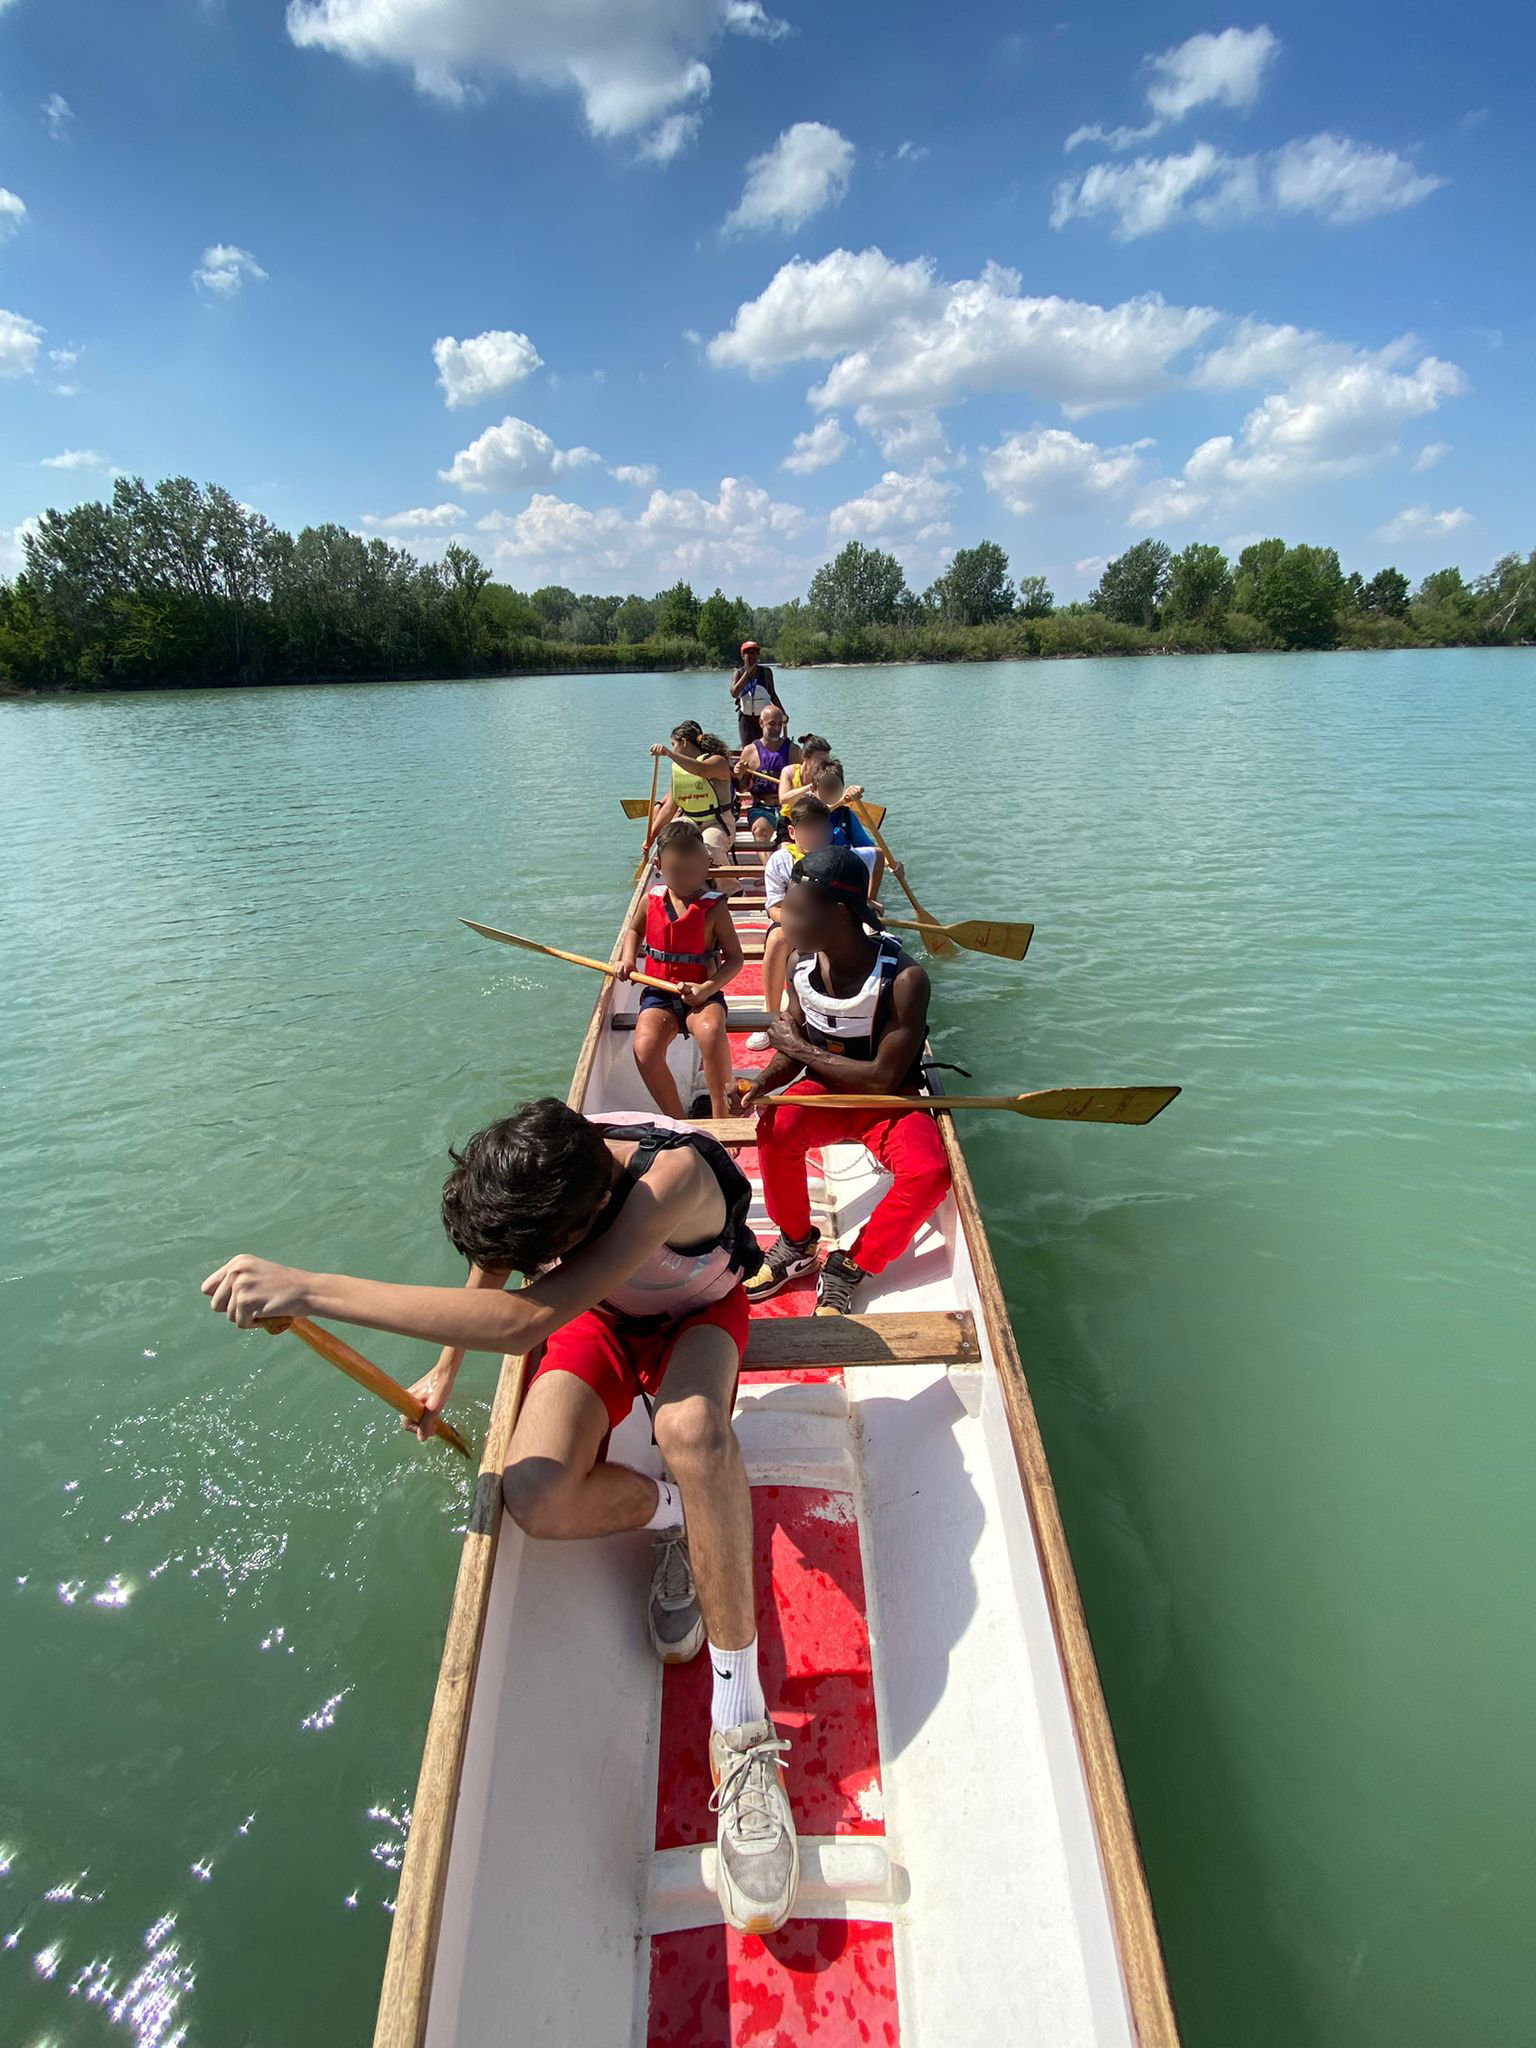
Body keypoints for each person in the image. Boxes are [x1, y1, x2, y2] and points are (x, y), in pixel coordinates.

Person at [201, 1097, 800, 1935]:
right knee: (534, 1495)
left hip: (697, 1315)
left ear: (585, 1219)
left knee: (691, 1428)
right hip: (602, 1322)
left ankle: (741, 1729)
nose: (530, 1262)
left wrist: (310, 1288)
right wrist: (444, 1372)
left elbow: (523, 1320)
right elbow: (497, 1265)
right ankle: (678, 1517)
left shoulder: (668, 1179)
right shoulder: (547, 1161)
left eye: (545, 1253)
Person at [739, 846, 951, 1317]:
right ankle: (796, 1244)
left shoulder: (904, 979)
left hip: (890, 1099)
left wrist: (795, 1049)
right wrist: (763, 1081)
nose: (783, 922)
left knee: (929, 1172)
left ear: (837, 914)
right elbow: (794, 1043)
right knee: (773, 1124)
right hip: (827, 1090)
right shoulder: (800, 964)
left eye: (795, 911)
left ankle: (851, 1264)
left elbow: (882, 1077)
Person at [619, 817, 743, 1121]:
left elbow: (735, 959)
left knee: (711, 1032)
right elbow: (633, 931)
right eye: (675, 871)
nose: (684, 878)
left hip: (703, 993)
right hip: (659, 992)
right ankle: (678, 1119)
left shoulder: (715, 908)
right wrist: (627, 958)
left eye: (692, 871)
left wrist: (707, 989)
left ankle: (721, 1113)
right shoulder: (652, 900)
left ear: (707, 863)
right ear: (659, 865)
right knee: (645, 1048)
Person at [744, 792, 832, 1053]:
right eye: (808, 829)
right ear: (792, 832)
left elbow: (872, 857)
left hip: (829, 924)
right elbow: (773, 908)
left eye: (821, 829)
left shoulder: (838, 859)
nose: (815, 835)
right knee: (777, 938)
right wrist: (802, 922)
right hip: (792, 922)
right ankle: (769, 1018)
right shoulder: (780, 861)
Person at [649, 724, 737, 866]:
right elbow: (669, 809)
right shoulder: (678, 770)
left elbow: (700, 770)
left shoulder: (717, 761)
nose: (672, 749)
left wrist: (669, 754)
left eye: (673, 744)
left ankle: (731, 887)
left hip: (718, 822)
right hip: (690, 821)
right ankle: (686, 884)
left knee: (707, 849)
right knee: (669, 843)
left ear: (684, 742)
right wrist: (650, 838)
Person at [804, 756, 886, 897]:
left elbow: (867, 846)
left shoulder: (847, 816)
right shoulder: (806, 808)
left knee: (878, 853)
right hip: (814, 871)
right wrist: (843, 800)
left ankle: (870, 900)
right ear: (814, 790)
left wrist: (889, 864)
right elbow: (817, 819)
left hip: (842, 869)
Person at [734, 705, 799, 848]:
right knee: (760, 830)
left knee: (793, 840)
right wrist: (739, 775)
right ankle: (767, 869)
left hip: (787, 807)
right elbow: (742, 787)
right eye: (772, 724)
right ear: (761, 723)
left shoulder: (793, 750)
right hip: (761, 807)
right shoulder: (749, 751)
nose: (777, 728)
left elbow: (801, 782)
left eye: (779, 724)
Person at [776, 733, 832, 837]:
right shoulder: (789, 771)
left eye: (826, 760)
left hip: (814, 825)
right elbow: (783, 799)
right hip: (789, 822)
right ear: (805, 756)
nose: (824, 765)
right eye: (820, 760)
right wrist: (810, 787)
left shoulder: (825, 775)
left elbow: (829, 805)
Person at [730, 640, 783, 747]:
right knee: (748, 747)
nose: (751, 656)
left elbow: (772, 694)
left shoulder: (766, 672)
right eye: (748, 653)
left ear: (758, 656)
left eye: (754, 653)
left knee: (766, 746)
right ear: (742, 656)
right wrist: (747, 673)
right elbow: (734, 693)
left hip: (764, 718)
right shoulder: (738, 673)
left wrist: (782, 712)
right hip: (746, 718)